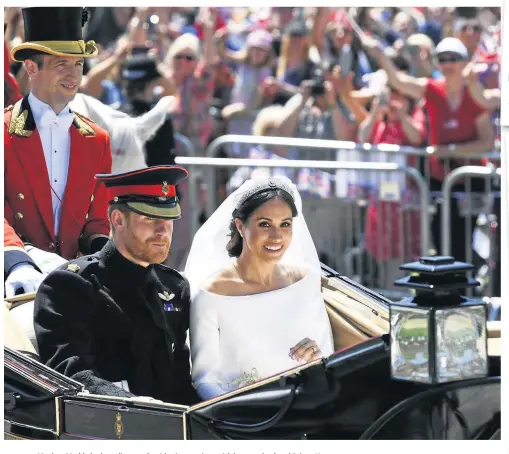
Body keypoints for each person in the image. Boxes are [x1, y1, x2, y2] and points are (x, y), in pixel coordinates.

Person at [34, 165, 198, 404]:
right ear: (118, 219)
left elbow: (179, 380)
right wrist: (132, 404)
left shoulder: (174, 287)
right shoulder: (71, 285)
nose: (163, 231)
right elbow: (70, 373)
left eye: (169, 218)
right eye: (150, 218)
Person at [185, 176, 333, 401]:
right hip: (242, 420)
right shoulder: (210, 294)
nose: (276, 236)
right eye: (265, 224)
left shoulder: (307, 280)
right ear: (240, 226)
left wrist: (315, 358)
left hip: (302, 406)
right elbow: (205, 380)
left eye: (285, 224)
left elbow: (326, 355)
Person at [4, 7, 112, 298]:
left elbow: (97, 220)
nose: (73, 73)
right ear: (31, 68)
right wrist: (16, 262)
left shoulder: (98, 139)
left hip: (74, 279)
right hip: (14, 274)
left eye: (78, 64)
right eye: (61, 63)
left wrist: (106, 261)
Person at [361, 34, 495, 261]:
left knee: (461, 243)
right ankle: (445, 292)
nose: (448, 64)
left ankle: (463, 292)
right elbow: (400, 81)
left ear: (464, 62)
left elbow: (487, 142)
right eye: (442, 59)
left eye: (454, 58)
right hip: (440, 180)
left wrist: (450, 150)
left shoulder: (474, 95)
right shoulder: (432, 89)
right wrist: (380, 54)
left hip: (470, 183)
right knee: (439, 240)